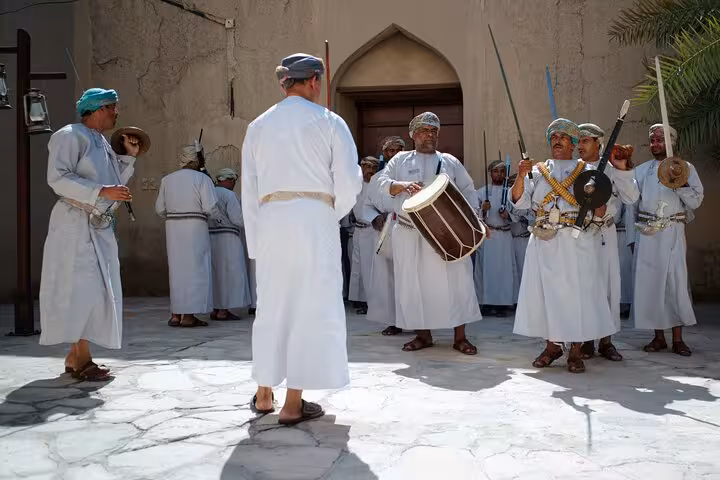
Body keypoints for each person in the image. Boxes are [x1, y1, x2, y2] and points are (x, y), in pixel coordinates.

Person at [242, 53, 362, 425]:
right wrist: (330, 213)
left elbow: (249, 188)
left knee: (272, 307)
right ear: (313, 81)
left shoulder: (258, 125)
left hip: (271, 223)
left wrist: (256, 240)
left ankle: (265, 393)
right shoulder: (330, 122)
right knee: (309, 307)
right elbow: (349, 181)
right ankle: (293, 403)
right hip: (314, 220)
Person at [511, 118, 634, 373]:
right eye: (553, 136)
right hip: (545, 240)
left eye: (564, 137)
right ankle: (552, 345)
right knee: (547, 296)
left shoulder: (588, 170)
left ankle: (576, 352)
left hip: (579, 240)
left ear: (573, 142)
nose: (557, 140)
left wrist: (599, 206)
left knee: (579, 297)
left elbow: (603, 210)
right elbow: (520, 202)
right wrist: (522, 175)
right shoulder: (539, 169)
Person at [39, 88, 140, 381]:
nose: (116, 113)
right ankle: (81, 358)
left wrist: (128, 159)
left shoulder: (101, 142)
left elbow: (113, 185)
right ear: (96, 109)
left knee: (97, 291)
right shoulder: (69, 135)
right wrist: (99, 192)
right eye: (112, 107)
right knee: (80, 289)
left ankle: (76, 356)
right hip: (74, 224)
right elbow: (58, 177)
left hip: (98, 224)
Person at [377, 112, 481, 355]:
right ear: (413, 135)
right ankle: (423, 335)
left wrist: (475, 222)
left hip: (446, 234)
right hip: (410, 232)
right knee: (414, 284)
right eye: (424, 130)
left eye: (434, 130)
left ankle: (460, 337)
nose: (430, 135)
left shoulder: (449, 161)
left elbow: (468, 190)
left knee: (457, 282)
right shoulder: (400, 160)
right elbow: (380, 183)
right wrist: (401, 186)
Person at [632, 124, 703, 356]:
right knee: (652, 286)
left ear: (671, 142)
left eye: (660, 140)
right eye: (652, 140)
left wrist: (679, 181)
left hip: (672, 233)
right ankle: (658, 337)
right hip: (648, 235)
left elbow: (695, 201)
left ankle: (678, 339)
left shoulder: (686, 168)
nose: (655, 144)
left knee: (674, 284)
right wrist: (632, 238)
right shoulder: (642, 171)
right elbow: (631, 203)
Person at [576, 124, 639, 361]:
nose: (580, 146)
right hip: (582, 234)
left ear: (598, 143)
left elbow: (631, 197)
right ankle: (586, 341)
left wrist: (622, 169)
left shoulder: (612, 169)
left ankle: (606, 341)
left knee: (608, 285)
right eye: (579, 141)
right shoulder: (574, 169)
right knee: (586, 286)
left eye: (585, 141)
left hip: (606, 232)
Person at [155, 143, 217, 327]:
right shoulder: (202, 179)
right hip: (195, 228)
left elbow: (159, 209)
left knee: (177, 271)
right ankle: (188, 317)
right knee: (194, 271)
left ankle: (176, 314)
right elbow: (210, 207)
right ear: (196, 159)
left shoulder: (167, 180)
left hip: (173, 229)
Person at [370, 136, 405, 336]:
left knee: (410, 276)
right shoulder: (377, 178)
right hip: (386, 231)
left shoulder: (412, 173)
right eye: (390, 151)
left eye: (397, 150)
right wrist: (374, 217)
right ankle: (394, 321)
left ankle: (417, 321)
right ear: (385, 154)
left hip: (410, 228)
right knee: (389, 278)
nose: (394, 154)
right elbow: (367, 205)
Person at [208, 167, 252, 320]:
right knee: (229, 275)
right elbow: (237, 219)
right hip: (228, 239)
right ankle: (223, 311)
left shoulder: (209, 192)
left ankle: (215, 309)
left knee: (215, 275)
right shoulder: (229, 195)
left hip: (210, 237)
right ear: (230, 180)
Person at [474, 159, 515, 316]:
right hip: (488, 235)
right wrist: (483, 211)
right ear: (490, 173)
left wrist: (508, 215)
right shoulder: (481, 192)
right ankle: (486, 302)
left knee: (504, 271)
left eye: (502, 171)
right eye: (496, 171)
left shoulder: (510, 192)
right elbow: (473, 214)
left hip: (505, 235)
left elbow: (517, 212)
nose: (499, 174)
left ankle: (503, 304)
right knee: (486, 270)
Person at [507, 173, 533, 303]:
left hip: (527, 238)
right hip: (513, 239)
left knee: (526, 271)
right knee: (514, 271)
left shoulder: (529, 198)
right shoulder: (507, 199)